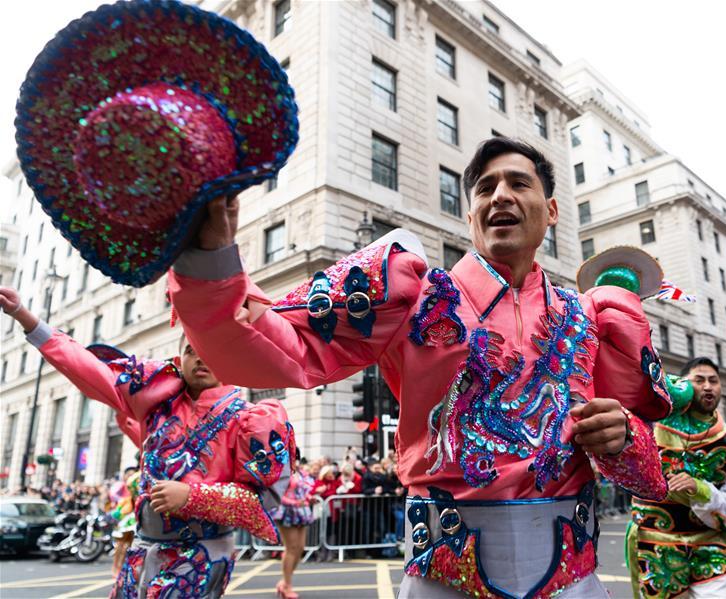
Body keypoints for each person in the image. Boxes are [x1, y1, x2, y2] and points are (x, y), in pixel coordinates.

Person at [168, 136, 672, 598]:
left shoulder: (587, 318)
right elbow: (270, 346)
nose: (500, 196)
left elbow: (651, 480)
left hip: (573, 582)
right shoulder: (416, 296)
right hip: (442, 580)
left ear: (552, 210)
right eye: (485, 188)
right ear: (470, 216)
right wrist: (210, 257)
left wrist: (622, 437)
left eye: (519, 184)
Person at [0, 286, 294, 599]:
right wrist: (26, 318)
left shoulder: (250, 419)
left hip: (201, 557)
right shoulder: (155, 402)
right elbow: (89, 369)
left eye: (212, 350)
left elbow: (265, 500)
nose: (201, 358)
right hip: (142, 552)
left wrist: (193, 496)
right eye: (192, 350)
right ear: (179, 359)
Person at [627, 357, 726, 599]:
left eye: (713, 381)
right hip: (656, 544)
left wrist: (700, 489)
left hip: (712, 545)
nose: (707, 386)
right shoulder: (650, 425)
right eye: (699, 380)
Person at [272, 450, 316, 599]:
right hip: (286, 512)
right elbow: (279, 495)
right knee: (291, 548)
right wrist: (296, 503)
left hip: (301, 512)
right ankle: (287, 585)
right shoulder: (281, 472)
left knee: (300, 548)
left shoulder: (301, 472)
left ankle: (284, 581)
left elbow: (304, 491)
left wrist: (309, 498)